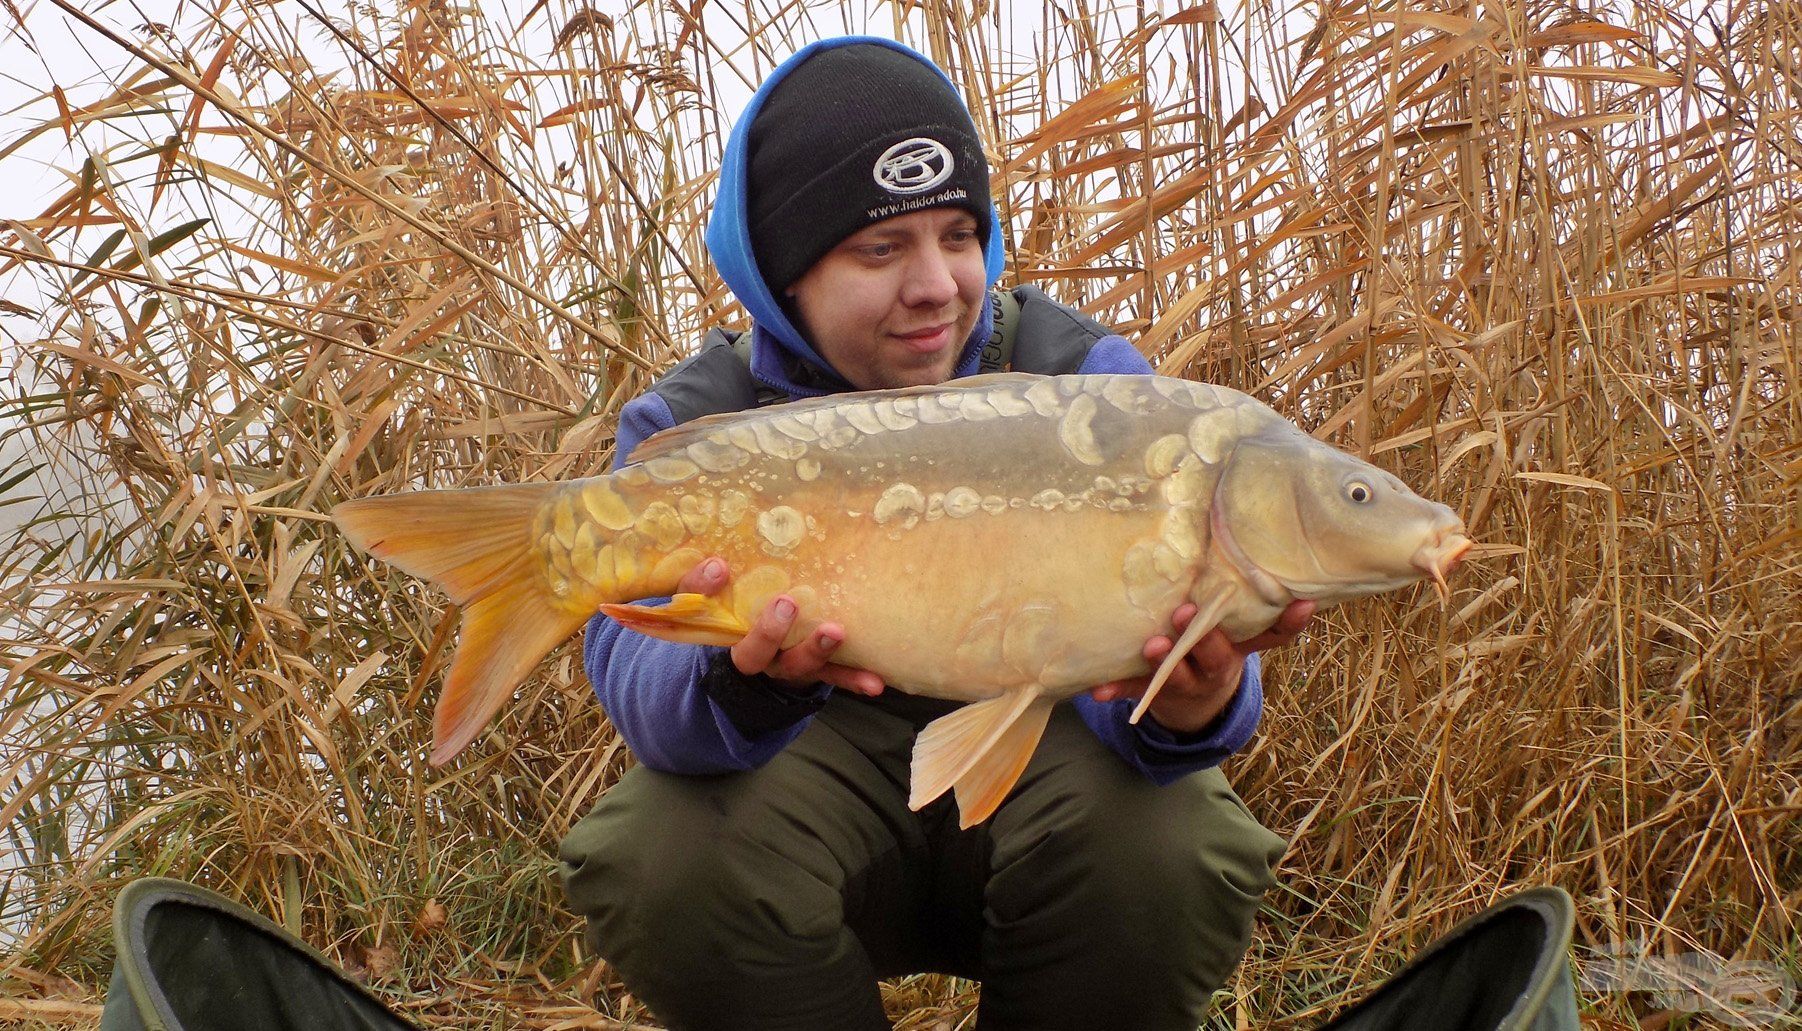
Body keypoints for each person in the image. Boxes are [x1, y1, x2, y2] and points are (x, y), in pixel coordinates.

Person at [559, 36, 1314, 1031]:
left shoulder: (1086, 383)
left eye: (957, 234)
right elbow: (638, 685)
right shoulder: (699, 423)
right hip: (813, 798)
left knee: (1172, 837)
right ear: (785, 275)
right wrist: (747, 681)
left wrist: (1191, 699)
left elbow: (1173, 676)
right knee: (656, 849)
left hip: (1044, 789)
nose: (936, 285)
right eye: (880, 248)